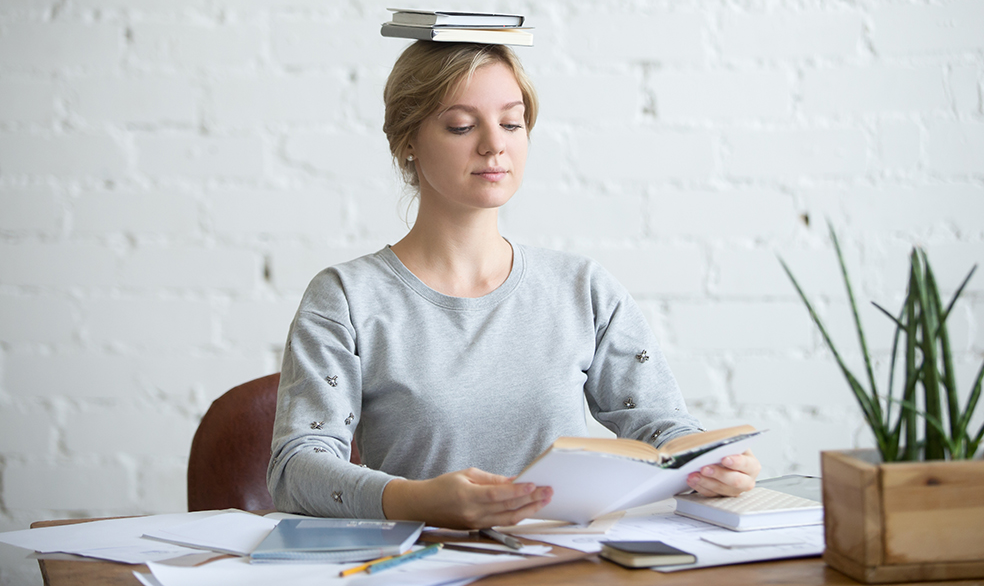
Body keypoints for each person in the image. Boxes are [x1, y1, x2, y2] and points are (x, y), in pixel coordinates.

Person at [267, 40, 760, 529]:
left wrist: (710, 465)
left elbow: (663, 429)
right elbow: (296, 468)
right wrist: (415, 501)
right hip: (424, 567)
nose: (494, 144)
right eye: (461, 125)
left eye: (511, 123)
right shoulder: (346, 297)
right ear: (407, 142)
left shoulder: (582, 288)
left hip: (567, 566)